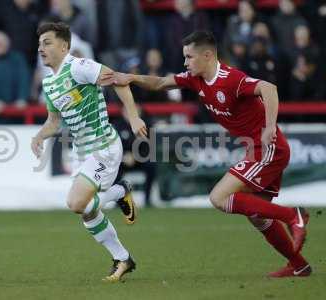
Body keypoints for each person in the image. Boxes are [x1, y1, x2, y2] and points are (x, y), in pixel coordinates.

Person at [110, 31, 311, 278]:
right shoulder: (195, 79)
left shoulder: (230, 78)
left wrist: (270, 126)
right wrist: (130, 77)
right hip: (256, 149)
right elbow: (161, 82)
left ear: (207, 55)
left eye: (189, 57)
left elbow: (268, 88)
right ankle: (299, 265)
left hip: (269, 149)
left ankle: (294, 215)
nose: (185, 63)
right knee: (257, 216)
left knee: (219, 197)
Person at [31, 22, 147, 282]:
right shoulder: (50, 83)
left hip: (104, 146)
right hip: (82, 153)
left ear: (64, 45)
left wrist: (133, 117)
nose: (41, 48)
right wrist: (39, 136)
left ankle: (119, 191)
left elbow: (118, 79)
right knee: (86, 211)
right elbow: (54, 121)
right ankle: (122, 258)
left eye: (47, 43)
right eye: (39, 44)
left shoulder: (80, 67)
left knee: (76, 203)